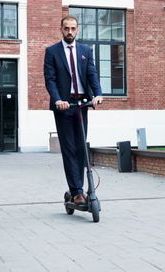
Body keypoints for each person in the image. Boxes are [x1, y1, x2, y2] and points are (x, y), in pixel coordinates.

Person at [44, 15, 103, 205]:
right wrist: (58, 99)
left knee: (80, 147)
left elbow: (92, 74)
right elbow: (50, 79)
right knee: (69, 148)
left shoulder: (86, 50)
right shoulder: (52, 51)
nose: (70, 32)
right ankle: (77, 191)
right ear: (61, 29)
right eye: (66, 28)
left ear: (78, 30)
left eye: (73, 28)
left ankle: (80, 187)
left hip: (82, 104)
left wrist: (98, 94)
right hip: (64, 105)